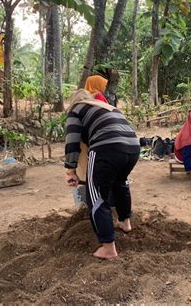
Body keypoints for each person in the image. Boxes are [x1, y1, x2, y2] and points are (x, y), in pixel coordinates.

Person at [64, 89, 140, 259]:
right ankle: (125, 222)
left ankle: (108, 247)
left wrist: (70, 170)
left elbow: (72, 141)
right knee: (120, 183)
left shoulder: (76, 110)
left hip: (107, 148)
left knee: (96, 195)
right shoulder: (106, 107)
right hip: (133, 148)